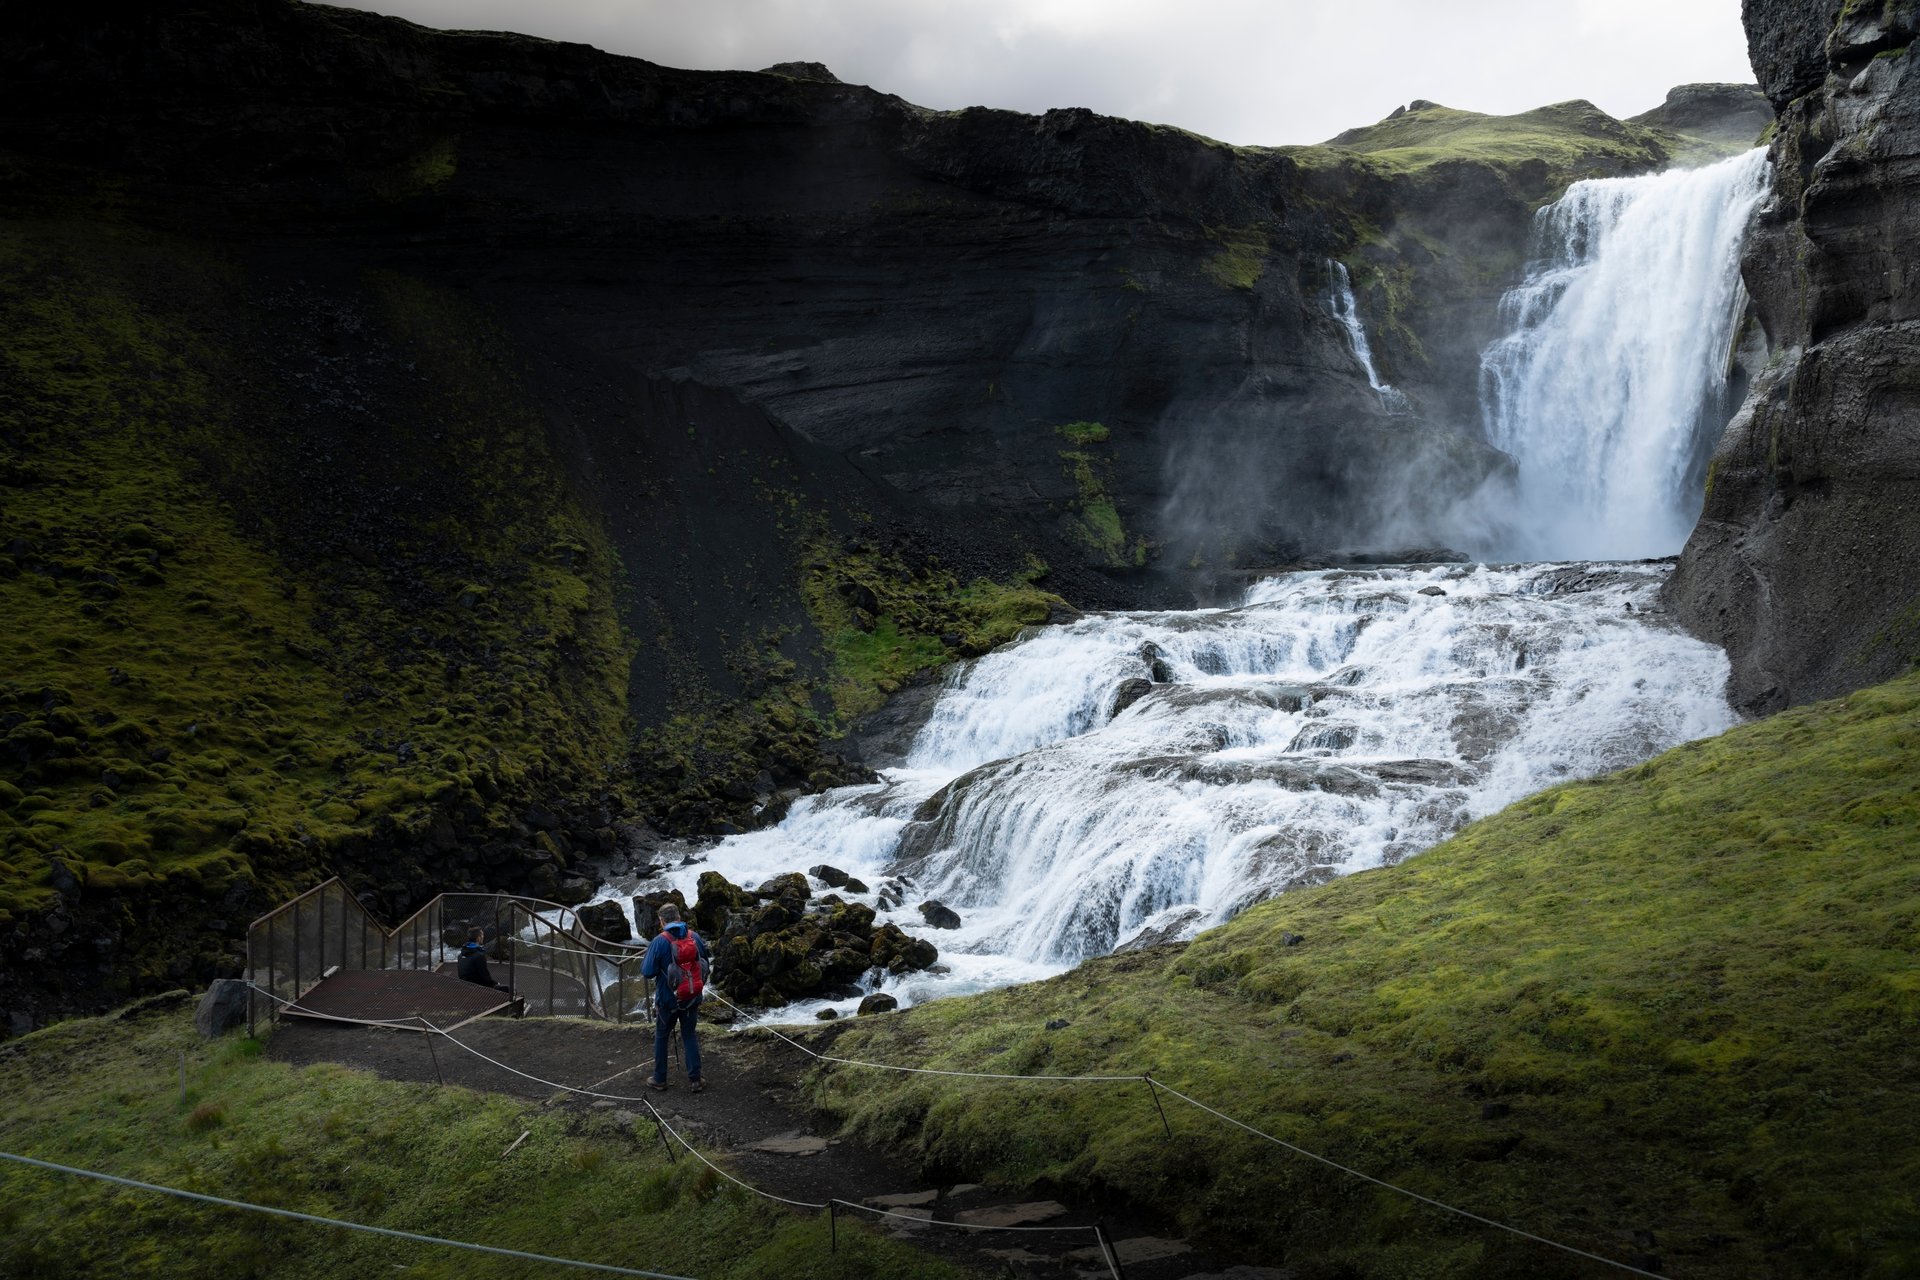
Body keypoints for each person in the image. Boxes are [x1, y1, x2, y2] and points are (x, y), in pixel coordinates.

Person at [640, 903, 708, 1092]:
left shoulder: (660, 941)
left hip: (667, 999)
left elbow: (647, 972)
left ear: (662, 921)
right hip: (691, 996)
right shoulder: (694, 937)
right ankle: (695, 1079)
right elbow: (705, 962)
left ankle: (660, 1079)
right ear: (679, 917)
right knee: (689, 1035)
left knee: (662, 1036)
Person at [456, 926, 509, 991]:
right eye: (482, 935)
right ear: (478, 938)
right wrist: (496, 983)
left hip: (464, 985)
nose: (483, 937)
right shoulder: (479, 956)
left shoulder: (461, 955)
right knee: (509, 989)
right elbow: (486, 978)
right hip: (477, 988)